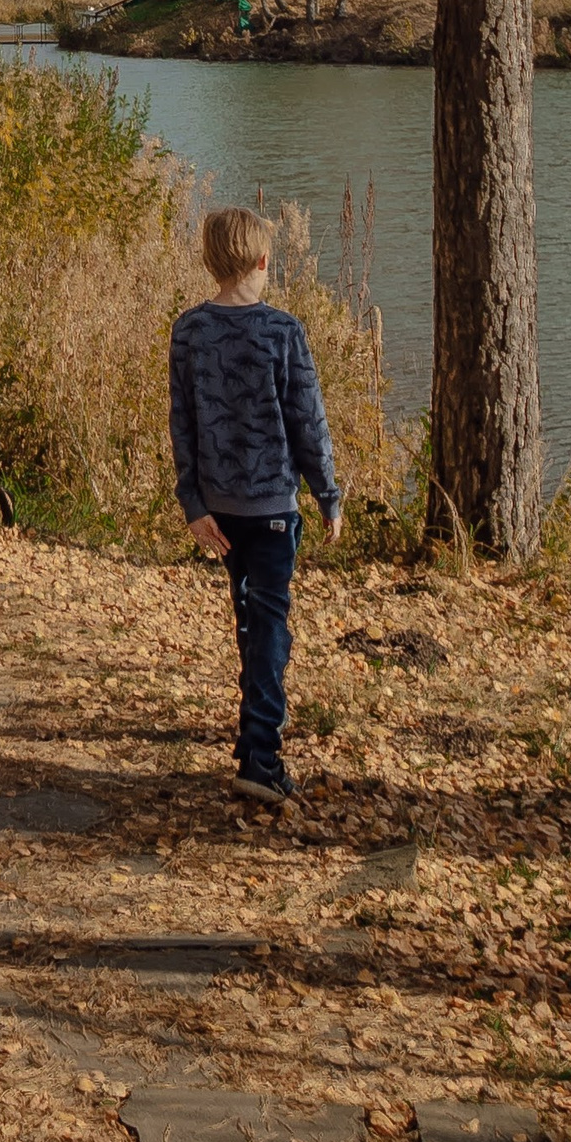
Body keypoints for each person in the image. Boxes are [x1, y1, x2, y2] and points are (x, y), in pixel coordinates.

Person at [169, 202, 343, 808]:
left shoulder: (188, 330)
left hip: (217, 509)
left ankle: (252, 742)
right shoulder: (282, 331)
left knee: (251, 618)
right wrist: (328, 493)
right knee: (269, 624)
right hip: (271, 506)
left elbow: (182, 425)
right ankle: (261, 759)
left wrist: (192, 503)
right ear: (264, 260)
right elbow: (308, 422)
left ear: (213, 261)